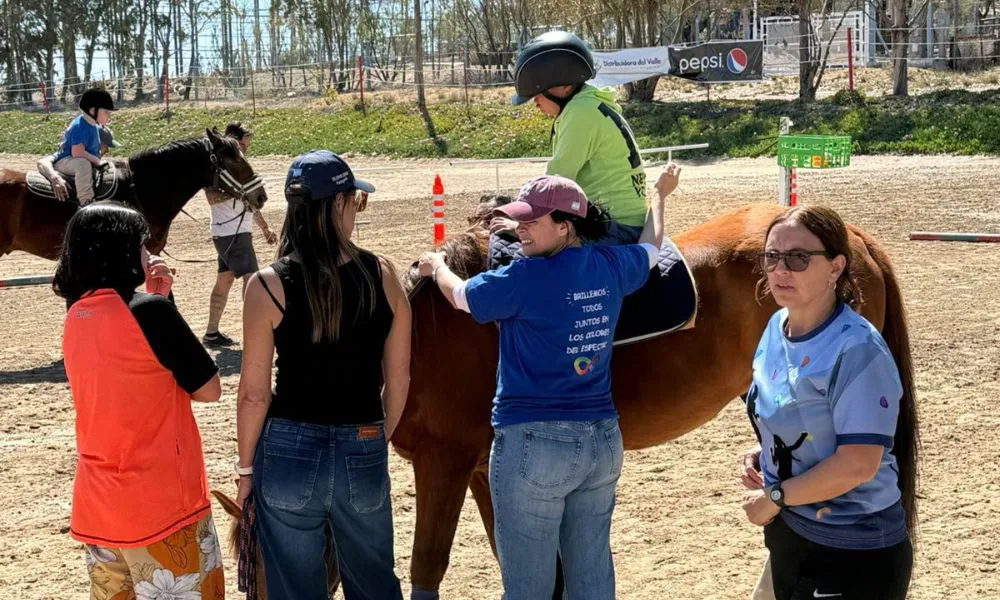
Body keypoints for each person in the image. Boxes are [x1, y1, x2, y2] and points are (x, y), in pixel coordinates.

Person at [417, 166, 679, 598]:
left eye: (532, 222)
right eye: (519, 220)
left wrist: (438, 265)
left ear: (565, 226)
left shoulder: (523, 277)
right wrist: (660, 195)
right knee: (592, 576)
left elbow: (462, 297)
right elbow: (650, 249)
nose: (520, 231)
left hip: (534, 444)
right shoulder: (610, 264)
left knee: (527, 589)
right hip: (601, 442)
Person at [235, 150, 411, 599]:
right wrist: (375, 437)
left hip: (289, 448)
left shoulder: (267, 285)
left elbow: (254, 396)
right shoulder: (383, 274)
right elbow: (400, 378)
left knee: (295, 587)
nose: (356, 209)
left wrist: (245, 471)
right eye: (356, 200)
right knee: (374, 581)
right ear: (337, 203)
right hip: (363, 440)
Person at [740, 206, 918, 600]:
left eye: (798, 258)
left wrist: (774, 497)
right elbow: (800, 417)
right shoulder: (776, 327)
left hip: (851, 553)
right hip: (792, 536)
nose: (780, 270)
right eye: (771, 257)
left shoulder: (856, 349)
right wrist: (767, 453)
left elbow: (858, 463)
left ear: (836, 267)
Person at [54, 202, 225, 600]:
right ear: (121, 251)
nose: (149, 254)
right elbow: (207, 389)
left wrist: (160, 299)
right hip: (161, 503)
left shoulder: (75, 315)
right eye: (142, 245)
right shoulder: (151, 312)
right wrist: (163, 303)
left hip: (99, 507)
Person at [489, 31, 648, 267]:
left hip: (612, 227)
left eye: (538, 95)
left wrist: (519, 226)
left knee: (524, 266)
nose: (535, 103)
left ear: (563, 87)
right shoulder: (590, 104)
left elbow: (554, 183)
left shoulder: (580, 113)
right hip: (617, 218)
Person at [203, 122, 279, 346]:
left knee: (224, 282)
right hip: (231, 233)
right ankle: (255, 333)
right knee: (252, 280)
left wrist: (264, 227)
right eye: (243, 145)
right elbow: (211, 198)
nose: (245, 150)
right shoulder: (220, 166)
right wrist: (238, 191)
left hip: (233, 231)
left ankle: (211, 332)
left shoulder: (236, 166)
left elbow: (249, 202)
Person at [51, 88, 115, 206]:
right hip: (65, 160)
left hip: (74, 159)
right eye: (106, 112)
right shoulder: (79, 126)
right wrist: (97, 160)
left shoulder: (93, 125)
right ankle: (86, 201)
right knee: (83, 164)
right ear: (92, 110)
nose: (109, 115)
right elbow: (77, 152)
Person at [37, 125, 119, 202]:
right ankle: (85, 203)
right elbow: (42, 162)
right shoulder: (67, 154)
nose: (107, 150)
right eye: (105, 146)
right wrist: (55, 178)